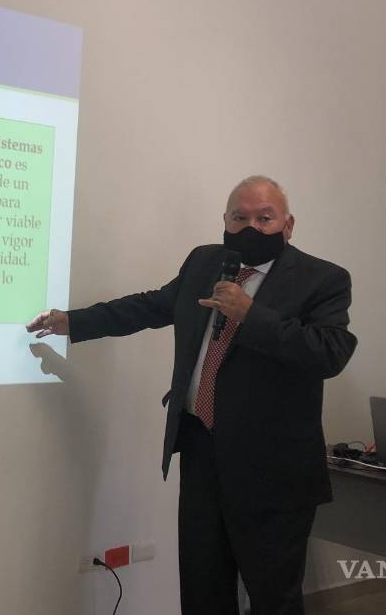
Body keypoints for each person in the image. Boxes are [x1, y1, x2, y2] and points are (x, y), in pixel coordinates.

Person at [27, 176, 357, 614]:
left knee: (272, 597)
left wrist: (251, 315)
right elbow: (151, 306)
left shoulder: (323, 279)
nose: (251, 228)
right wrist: (74, 321)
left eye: (265, 218)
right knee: (202, 588)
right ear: (225, 220)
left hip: (273, 470)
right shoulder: (205, 262)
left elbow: (329, 353)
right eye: (240, 218)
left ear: (288, 224)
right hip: (203, 450)